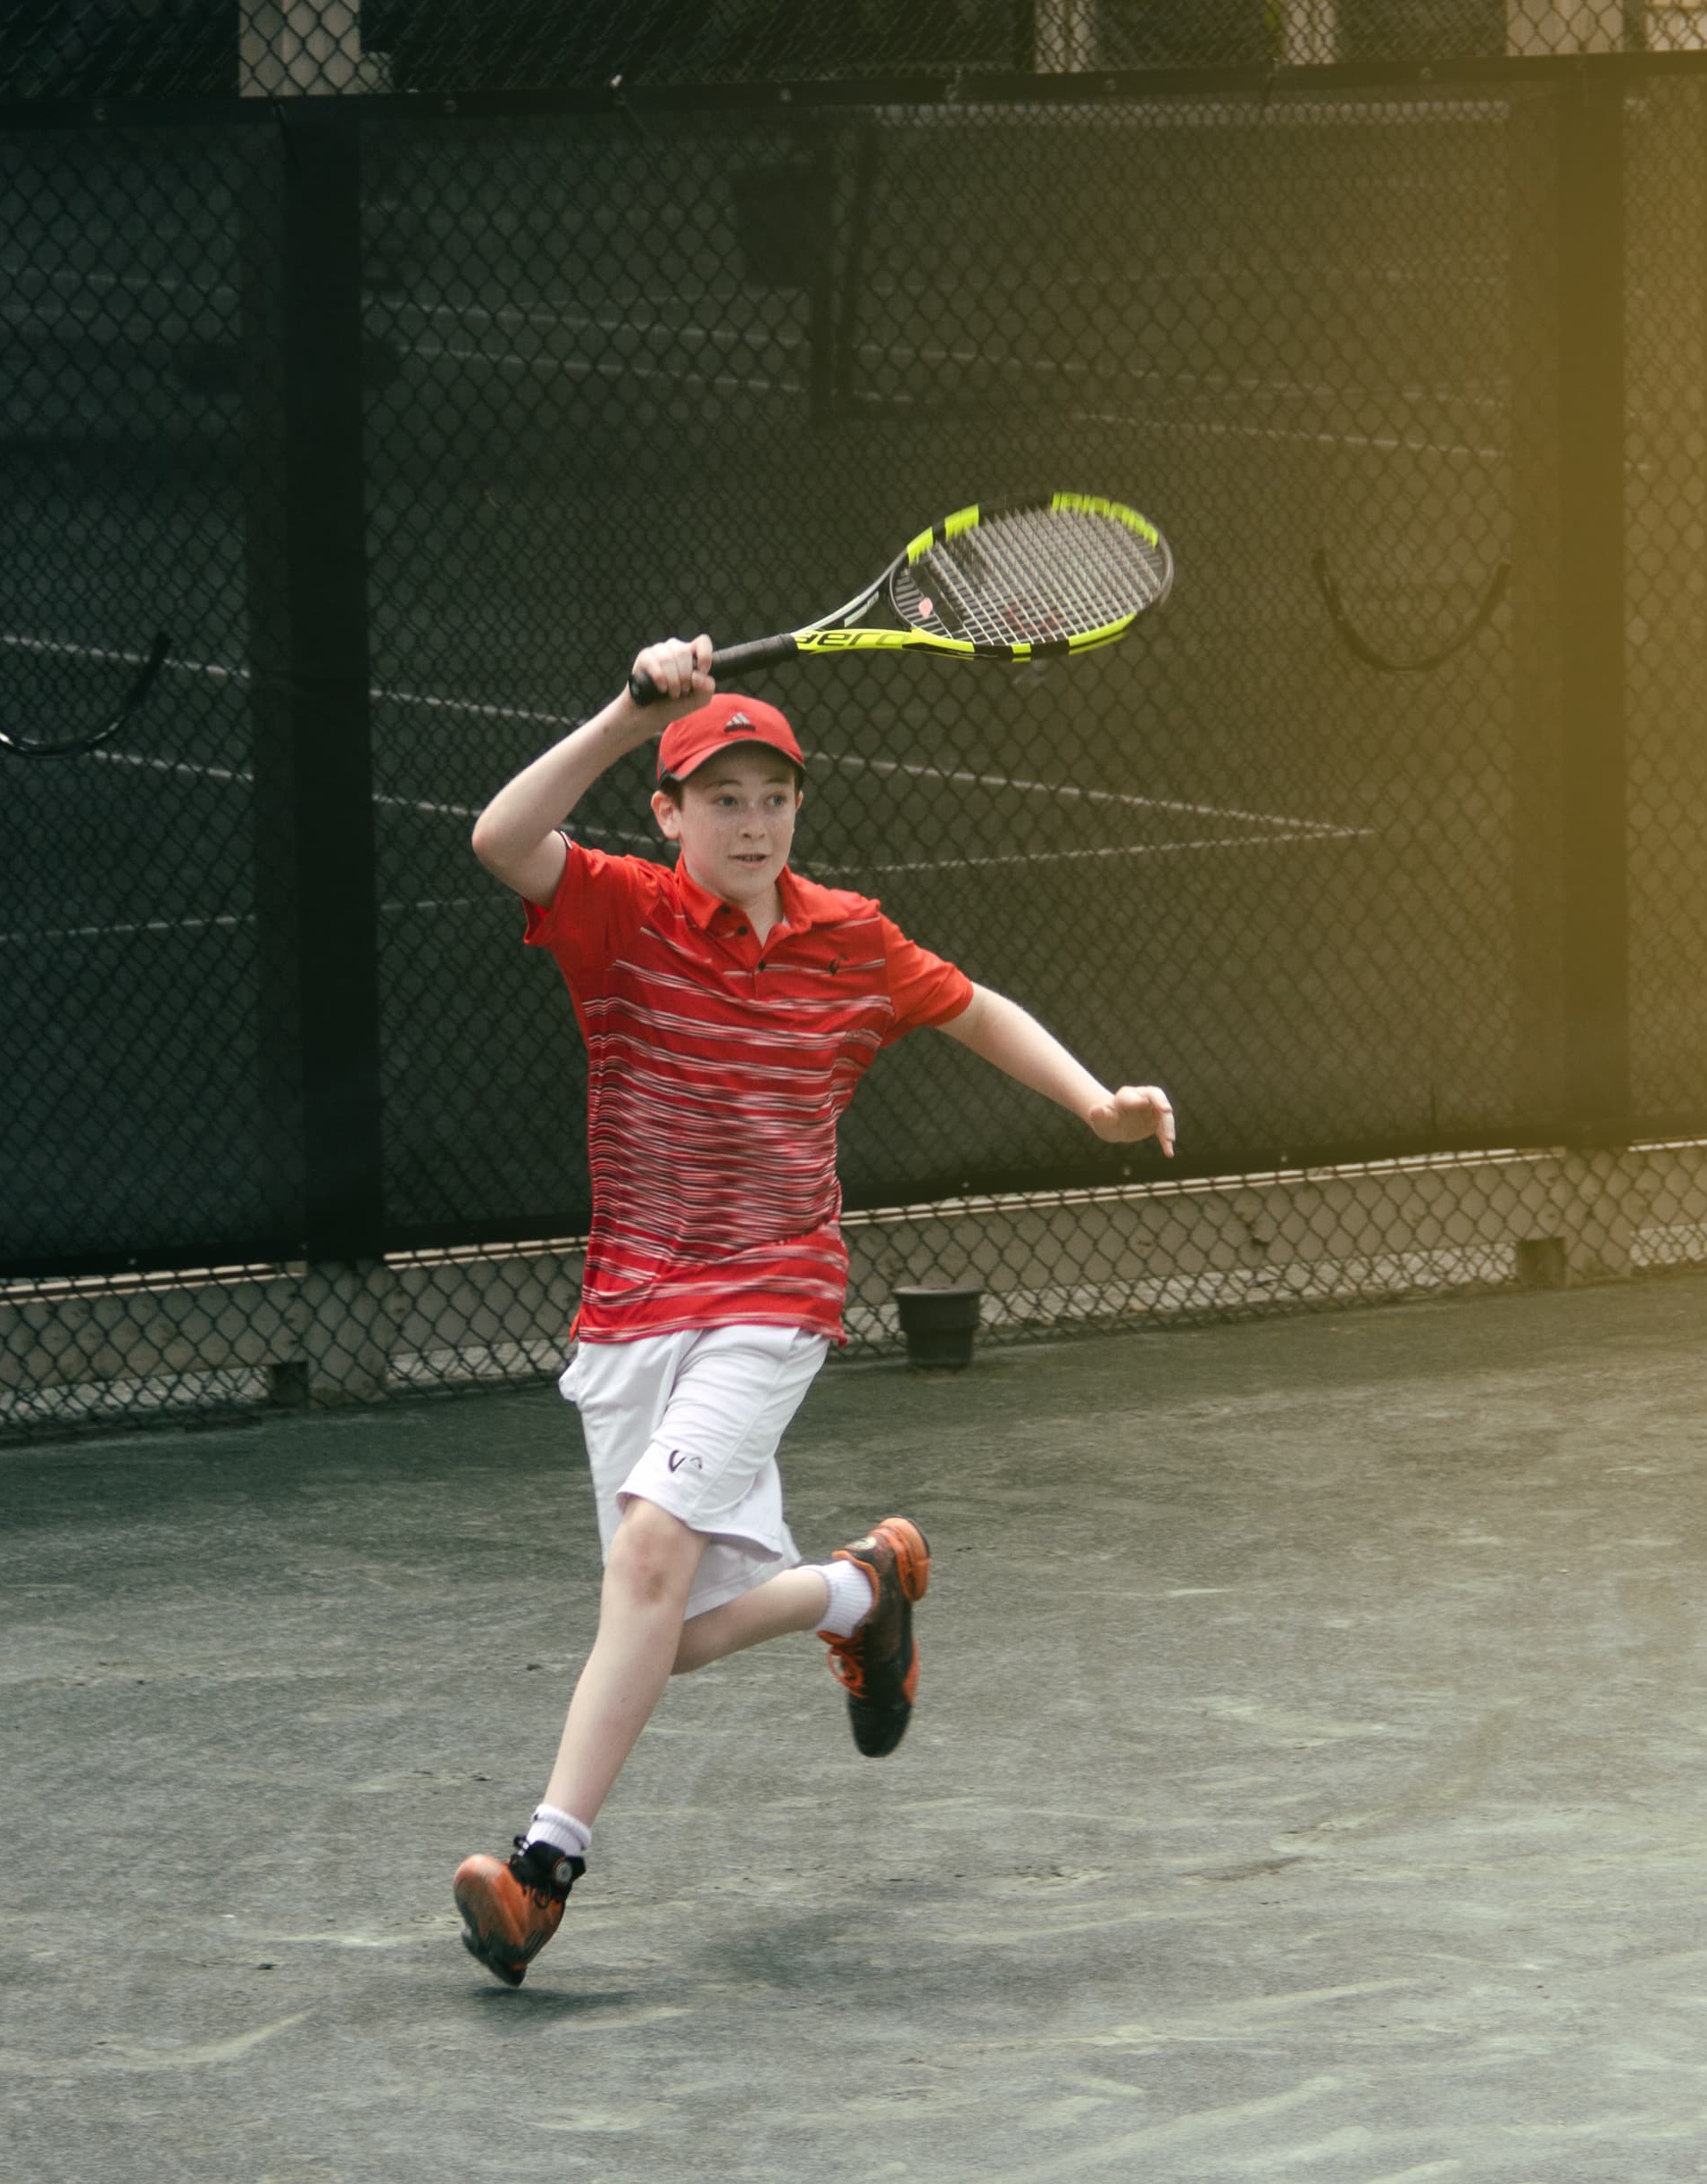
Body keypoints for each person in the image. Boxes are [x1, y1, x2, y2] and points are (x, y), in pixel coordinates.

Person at [447, 638, 1175, 1987]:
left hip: (772, 1299)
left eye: (773, 796)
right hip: (628, 1312)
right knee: (674, 1629)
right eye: (721, 798)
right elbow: (501, 834)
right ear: (668, 816)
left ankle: (545, 1868)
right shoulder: (618, 912)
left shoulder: (851, 940)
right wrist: (627, 709)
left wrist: (1091, 1100)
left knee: (651, 1561)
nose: (753, 822)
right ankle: (863, 1589)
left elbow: (975, 1010)